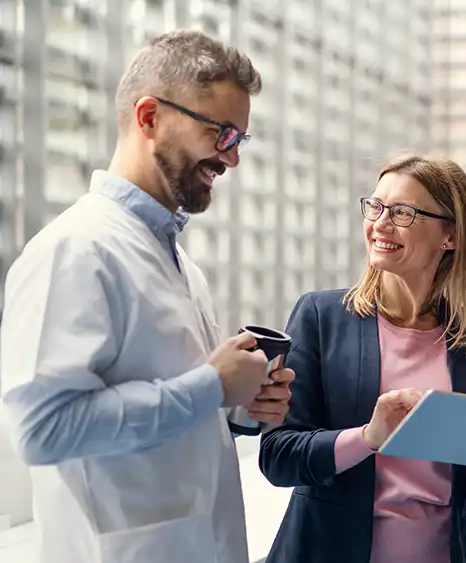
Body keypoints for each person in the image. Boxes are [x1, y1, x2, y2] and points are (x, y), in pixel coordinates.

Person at [0, 30, 295, 563]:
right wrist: (210, 386)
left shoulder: (183, 266)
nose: (231, 160)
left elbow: (172, 407)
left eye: (239, 140)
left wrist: (237, 406)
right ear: (149, 117)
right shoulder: (74, 251)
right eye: (220, 133)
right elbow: (42, 431)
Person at [257, 154, 466, 563]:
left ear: (451, 237)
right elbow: (278, 456)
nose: (380, 224)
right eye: (376, 207)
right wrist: (369, 437)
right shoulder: (321, 317)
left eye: (403, 212)